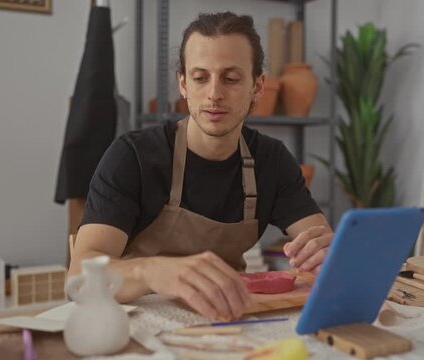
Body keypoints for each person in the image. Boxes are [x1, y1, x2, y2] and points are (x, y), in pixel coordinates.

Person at [69, 12, 333, 321]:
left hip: (227, 322)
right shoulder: (133, 157)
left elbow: (324, 248)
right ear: (183, 84)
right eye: (200, 77)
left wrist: (326, 252)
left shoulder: (271, 161)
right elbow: (79, 279)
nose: (214, 94)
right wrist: (152, 272)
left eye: (231, 78)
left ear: (258, 86)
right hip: (139, 325)